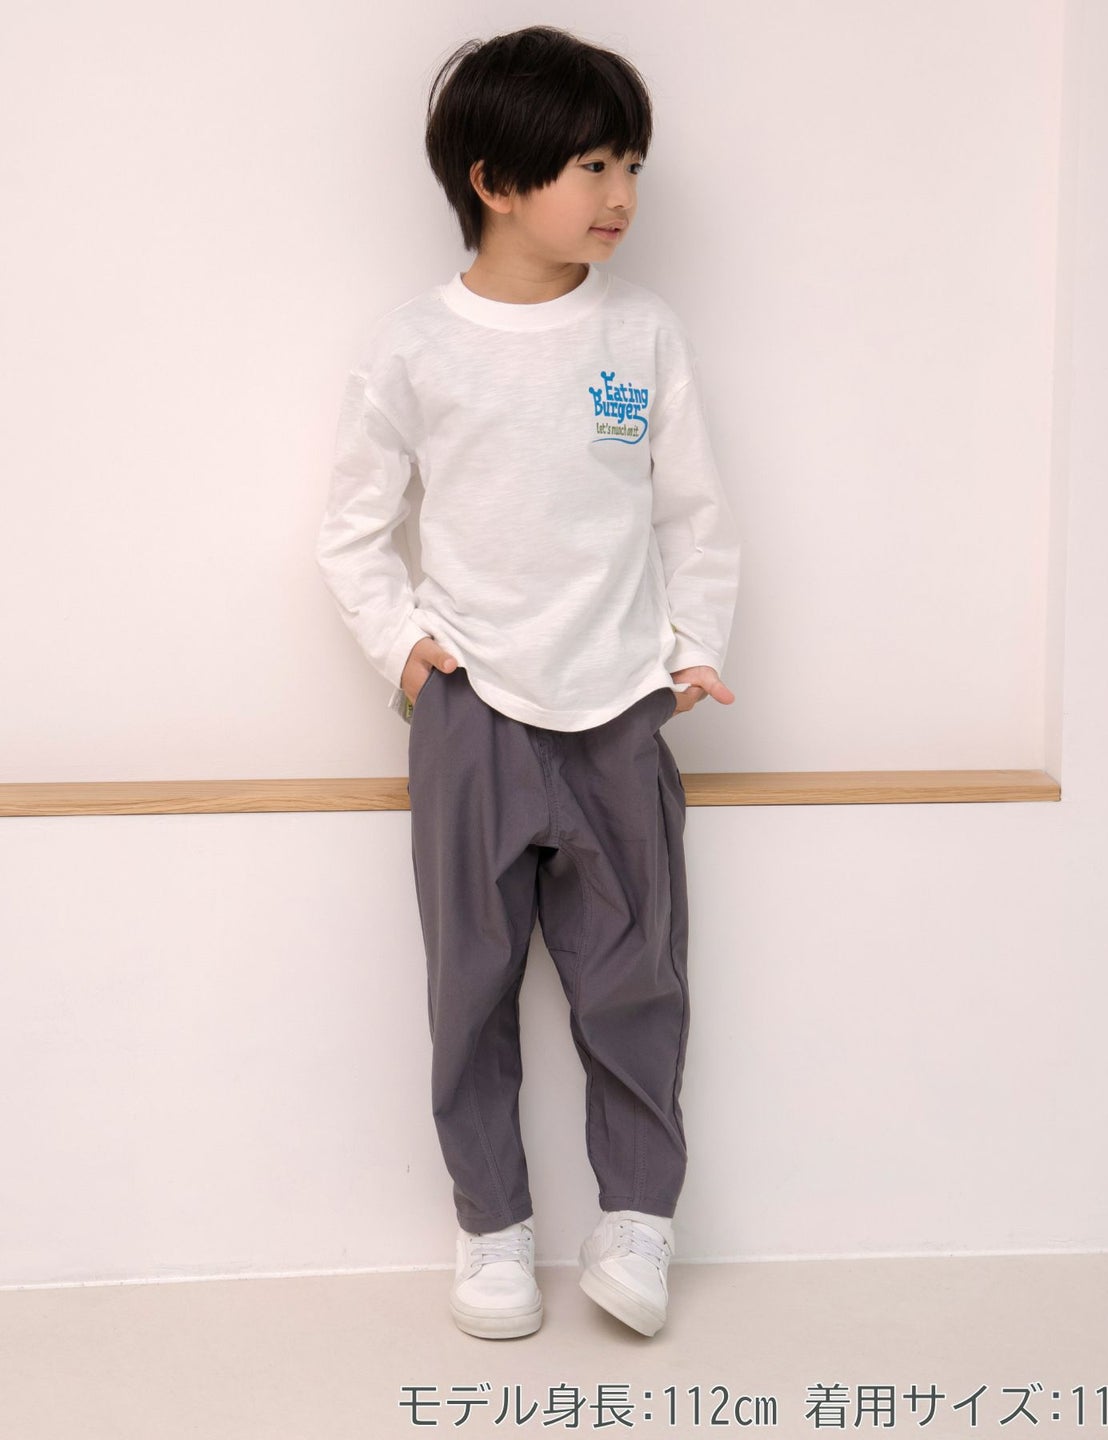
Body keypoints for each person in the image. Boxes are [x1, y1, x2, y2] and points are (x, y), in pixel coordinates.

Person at [315, 24, 739, 1340]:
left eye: (632, 165)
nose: (621, 193)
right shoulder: (415, 346)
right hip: (472, 711)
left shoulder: (642, 332)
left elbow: (692, 508)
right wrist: (401, 642)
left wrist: (695, 645)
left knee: (634, 979)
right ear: (496, 180)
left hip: (619, 707)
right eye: (592, 165)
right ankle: (491, 1228)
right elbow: (350, 527)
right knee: (472, 984)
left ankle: (639, 1220)